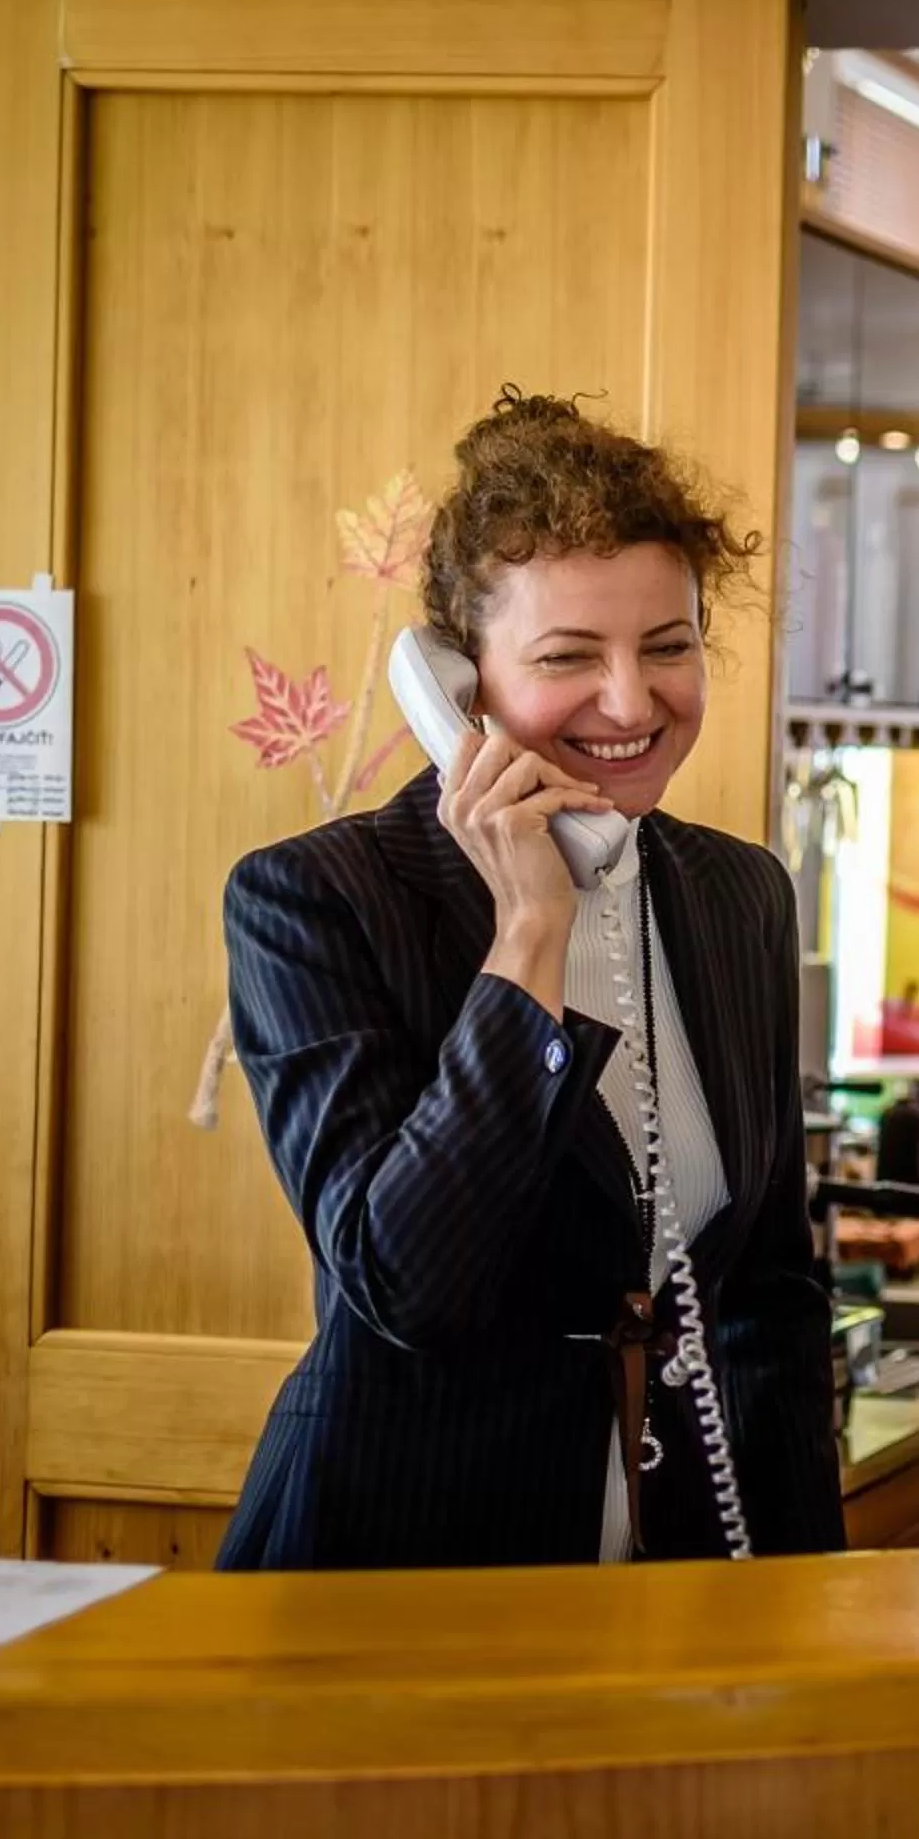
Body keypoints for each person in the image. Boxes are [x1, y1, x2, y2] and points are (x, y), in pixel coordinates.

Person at [218, 391, 844, 1569]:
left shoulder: (738, 895)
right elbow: (407, 1285)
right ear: (462, 684)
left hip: (677, 1573)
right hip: (399, 1569)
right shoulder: (315, 902)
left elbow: (769, 1295)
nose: (629, 701)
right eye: (567, 657)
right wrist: (528, 935)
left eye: (670, 645)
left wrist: (807, 1601)